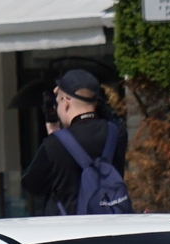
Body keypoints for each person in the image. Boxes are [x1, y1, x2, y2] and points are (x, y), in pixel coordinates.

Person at [20, 71, 130, 215]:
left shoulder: (54, 144)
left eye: (58, 101)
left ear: (66, 102)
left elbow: (31, 185)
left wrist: (54, 135)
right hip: (107, 227)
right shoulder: (117, 133)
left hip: (70, 231)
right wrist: (91, 100)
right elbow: (113, 117)